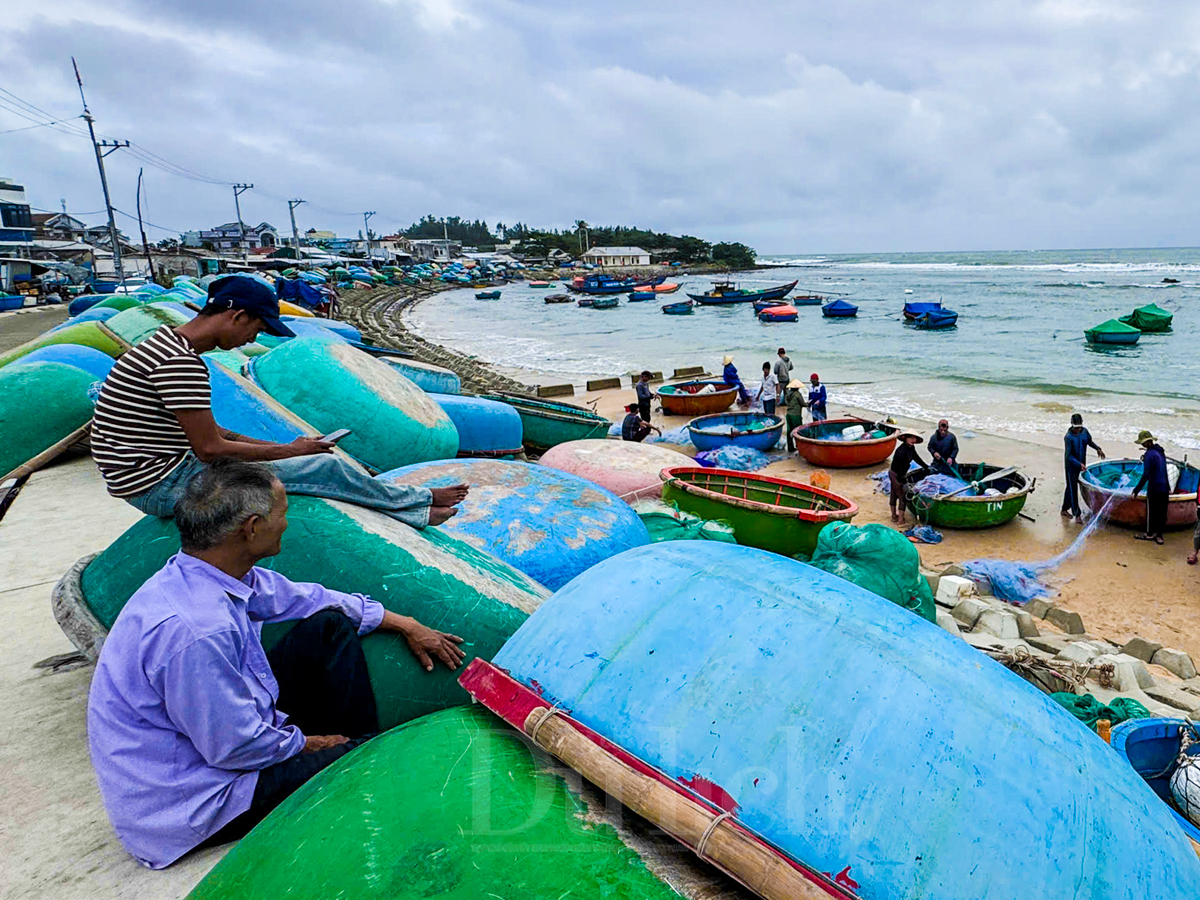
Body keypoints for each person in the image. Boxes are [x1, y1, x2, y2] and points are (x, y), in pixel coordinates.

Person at [87, 460, 466, 869]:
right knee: (364, 755)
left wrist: (404, 623)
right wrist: (313, 744)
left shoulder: (208, 573)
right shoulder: (197, 631)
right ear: (250, 528)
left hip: (218, 741)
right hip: (197, 800)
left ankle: (351, 756)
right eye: (282, 513)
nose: (287, 522)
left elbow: (306, 598)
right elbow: (236, 748)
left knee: (329, 628)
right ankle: (356, 765)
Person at [89, 275, 467, 528]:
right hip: (164, 484)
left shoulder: (165, 343)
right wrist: (292, 456)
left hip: (148, 476)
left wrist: (289, 448)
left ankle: (409, 501)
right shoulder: (179, 363)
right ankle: (417, 505)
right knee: (325, 470)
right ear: (237, 316)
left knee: (308, 460)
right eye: (258, 328)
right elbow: (209, 449)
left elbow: (216, 433)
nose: (253, 338)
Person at [1061, 413, 1105, 524]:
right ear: (1072, 425)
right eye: (1076, 427)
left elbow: (1089, 441)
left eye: (1079, 427)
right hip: (1071, 466)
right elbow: (1068, 456)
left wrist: (1097, 448)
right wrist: (1078, 464)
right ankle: (1077, 514)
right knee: (1073, 488)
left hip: (1081, 464)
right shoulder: (1068, 437)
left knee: (1070, 487)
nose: (1078, 429)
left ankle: (1064, 509)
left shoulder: (1084, 432)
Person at [1132, 430, 1170, 545]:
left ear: (1147, 443)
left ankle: (1149, 534)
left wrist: (1136, 490)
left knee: (1151, 512)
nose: (1142, 445)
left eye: (1142, 443)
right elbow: (1163, 469)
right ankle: (1159, 536)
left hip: (1154, 487)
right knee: (1162, 512)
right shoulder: (1160, 451)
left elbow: (1146, 475)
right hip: (1164, 487)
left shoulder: (1149, 455)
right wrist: (1168, 486)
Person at [889, 431, 929, 524]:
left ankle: (894, 516)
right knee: (902, 497)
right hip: (895, 474)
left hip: (899, 473)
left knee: (895, 494)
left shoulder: (911, 448)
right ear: (906, 438)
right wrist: (902, 478)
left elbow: (916, 458)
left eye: (914, 438)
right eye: (910, 438)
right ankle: (900, 520)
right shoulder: (901, 451)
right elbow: (898, 466)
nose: (912, 440)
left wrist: (925, 466)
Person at [784, 379, 807, 452]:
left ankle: (790, 447)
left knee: (789, 431)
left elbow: (786, 402)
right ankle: (799, 446)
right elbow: (803, 404)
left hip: (788, 414)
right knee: (798, 431)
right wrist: (809, 403)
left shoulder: (788, 394)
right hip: (796, 415)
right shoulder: (797, 394)